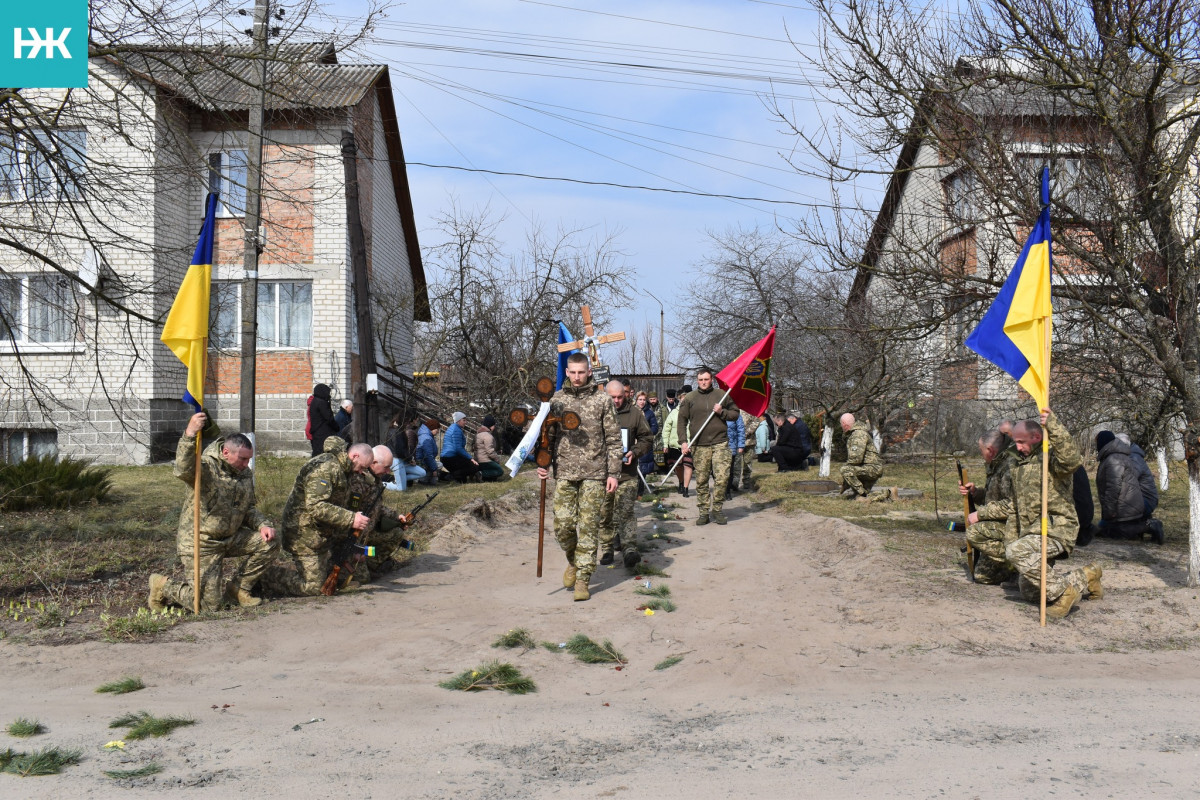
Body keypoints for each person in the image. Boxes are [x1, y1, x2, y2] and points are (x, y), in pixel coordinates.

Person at [149, 412, 279, 613]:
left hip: (230, 537)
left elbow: (248, 508)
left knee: (269, 542)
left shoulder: (243, 473)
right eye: (243, 459)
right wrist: (190, 434)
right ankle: (162, 586)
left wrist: (263, 525)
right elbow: (183, 470)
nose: (246, 465)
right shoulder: (206, 468)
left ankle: (239, 590)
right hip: (202, 542)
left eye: (249, 460)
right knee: (208, 606)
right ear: (226, 452)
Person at [536, 352, 621, 601]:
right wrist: (542, 462)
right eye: (572, 372)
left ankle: (583, 578)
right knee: (562, 526)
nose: (576, 377)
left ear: (589, 372)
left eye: (581, 372)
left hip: (595, 473)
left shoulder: (603, 400)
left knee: (588, 527)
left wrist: (613, 472)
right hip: (564, 471)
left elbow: (614, 440)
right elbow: (546, 436)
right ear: (567, 372)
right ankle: (574, 560)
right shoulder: (557, 400)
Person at [1004, 410, 1103, 619]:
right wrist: (1013, 541)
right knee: (1031, 592)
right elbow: (1016, 507)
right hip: (1032, 533)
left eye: (1021, 441)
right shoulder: (1017, 463)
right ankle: (1086, 575)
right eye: (1016, 441)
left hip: (1056, 528)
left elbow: (1072, 460)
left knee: (1017, 552)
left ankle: (1067, 594)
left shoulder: (1050, 457)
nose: (1017, 446)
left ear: (1036, 437)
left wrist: (1053, 424)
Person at [259, 437, 374, 597]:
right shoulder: (326, 468)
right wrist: (351, 518)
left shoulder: (344, 470)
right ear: (354, 456)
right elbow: (316, 507)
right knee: (313, 587)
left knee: (352, 575)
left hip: (322, 534)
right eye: (362, 467)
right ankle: (263, 576)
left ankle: (322, 570)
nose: (361, 472)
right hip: (303, 535)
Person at [599, 379, 653, 568]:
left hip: (627, 473)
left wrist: (635, 451)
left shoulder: (635, 414)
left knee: (626, 511)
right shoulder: (598, 412)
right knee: (605, 512)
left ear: (627, 395)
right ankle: (607, 548)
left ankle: (629, 548)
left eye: (620, 397)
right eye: (612, 397)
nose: (616, 401)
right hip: (602, 475)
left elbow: (647, 438)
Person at [677, 368, 740, 525]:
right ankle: (704, 511)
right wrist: (683, 441)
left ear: (711, 379)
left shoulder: (721, 395)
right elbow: (681, 421)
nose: (703, 382)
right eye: (700, 380)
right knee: (702, 480)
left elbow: (735, 413)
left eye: (706, 379)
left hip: (720, 442)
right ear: (697, 381)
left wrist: (722, 412)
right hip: (700, 445)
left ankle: (717, 509)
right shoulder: (690, 398)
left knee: (722, 477)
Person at [961, 429, 1016, 584]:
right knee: (983, 576)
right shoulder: (996, 464)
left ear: (991, 450)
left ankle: (1018, 562)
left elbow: (1012, 505)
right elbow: (994, 497)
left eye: (981, 451)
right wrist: (975, 493)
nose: (981, 454)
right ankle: (1010, 569)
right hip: (999, 525)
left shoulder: (1009, 468)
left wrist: (980, 514)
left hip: (1014, 527)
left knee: (974, 532)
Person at [1095, 430, 1164, 543]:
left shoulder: (1115, 460)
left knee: (1118, 532)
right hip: (1128, 501)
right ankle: (1141, 525)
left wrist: (1110, 511)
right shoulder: (1116, 457)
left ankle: (1150, 526)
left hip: (1133, 502)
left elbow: (1114, 487)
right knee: (1106, 530)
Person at [839, 413, 882, 499]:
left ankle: (863, 494)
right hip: (867, 467)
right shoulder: (857, 432)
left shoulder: (858, 435)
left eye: (841, 425)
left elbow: (856, 459)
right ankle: (862, 494)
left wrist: (845, 476)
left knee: (846, 470)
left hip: (872, 468)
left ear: (844, 424)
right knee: (850, 470)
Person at [440, 411, 480, 482]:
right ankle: (449, 476)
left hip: (446, 457)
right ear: (458, 421)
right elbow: (458, 448)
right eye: (464, 420)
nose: (465, 422)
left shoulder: (452, 427)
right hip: (450, 458)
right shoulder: (456, 430)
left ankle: (447, 476)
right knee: (475, 467)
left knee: (463, 480)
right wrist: (470, 458)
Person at [635, 391, 659, 489]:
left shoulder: (649, 413)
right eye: (640, 399)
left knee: (643, 467)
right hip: (633, 442)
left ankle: (640, 489)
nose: (642, 402)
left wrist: (646, 433)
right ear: (636, 400)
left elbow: (655, 428)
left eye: (644, 400)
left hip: (644, 443)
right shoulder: (632, 411)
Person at [307, 383, 338, 456]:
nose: (329, 395)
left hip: (317, 432)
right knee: (321, 453)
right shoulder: (321, 403)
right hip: (322, 433)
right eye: (328, 392)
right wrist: (336, 427)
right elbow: (329, 418)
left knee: (317, 452)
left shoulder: (314, 401)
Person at [474, 415, 506, 481]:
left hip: (477, 460)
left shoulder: (477, 434)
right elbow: (490, 451)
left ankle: (482, 476)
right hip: (485, 460)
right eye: (494, 425)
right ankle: (481, 474)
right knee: (499, 471)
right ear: (491, 426)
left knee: (493, 475)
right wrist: (497, 460)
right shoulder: (488, 436)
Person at [662, 398, 684, 492]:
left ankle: (685, 487)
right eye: (683, 400)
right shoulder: (674, 413)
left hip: (689, 444)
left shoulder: (693, 412)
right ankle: (681, 481)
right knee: (678, 466)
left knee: (687, 465)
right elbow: (666, 429)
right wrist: (665, 444)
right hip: (675, 444)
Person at [414, 418, 441, 485]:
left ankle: (426, 479)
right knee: (439, 465)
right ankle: (422, 480)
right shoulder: (427, 438)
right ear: (432, 428)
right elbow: (428, 455)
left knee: (438, 465)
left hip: (424, 460)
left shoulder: (427, 435)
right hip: (423, 462)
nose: (438, 431)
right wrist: (434, 469)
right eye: (437, 429)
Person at [726, 411, 745, 494]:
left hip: (732, 446)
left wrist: (741, 445)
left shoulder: (736, 415)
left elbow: (741, 430)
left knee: (730, 470)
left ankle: (727, 491)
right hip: (718, 445)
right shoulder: (716, 413)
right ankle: (721, 488)